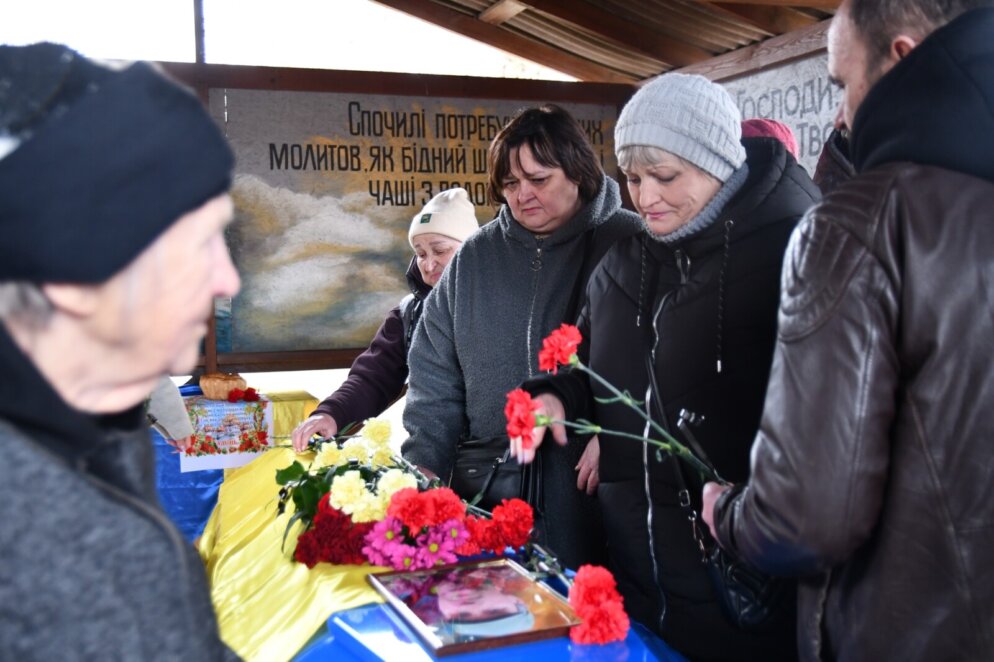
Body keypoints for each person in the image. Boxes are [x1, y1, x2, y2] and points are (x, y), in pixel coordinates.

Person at [701, 2, 994, 660]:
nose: (838, 116)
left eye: (841, 84)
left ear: (903, 58)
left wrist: (728, 512)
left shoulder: (860, 223)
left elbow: (803, 519)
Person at [515, 73, 820, 660]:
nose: (646, 197)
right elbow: (589, 361)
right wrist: (557, 396)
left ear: (717, 163)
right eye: (632, 178)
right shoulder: (624, 263)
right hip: (642, 570)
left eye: (666, 176)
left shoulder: (797, 246)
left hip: (750, 589)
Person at [0, 43, 239, 659]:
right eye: (200, 241)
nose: (227, 280)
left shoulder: (100, 421)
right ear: (77, 269)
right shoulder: (21, 557)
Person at [401, 104, 642, 569]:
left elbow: (668, 361)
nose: (523, 195)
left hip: (603, 507)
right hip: (491, 499)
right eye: (511, 184)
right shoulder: (474, 257)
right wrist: (423, 471)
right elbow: (433, 374)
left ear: (577, 170)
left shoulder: (630, 241)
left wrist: (625, 436)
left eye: (539, 179)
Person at [291, 188, 479, 451]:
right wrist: (331, 414)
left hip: (497, 459)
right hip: (430, 454)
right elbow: (373, 378)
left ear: (469, 249)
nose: (428, 264)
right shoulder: (408, 314)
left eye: (440, 250)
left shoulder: (499, 302)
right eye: (421, 253)